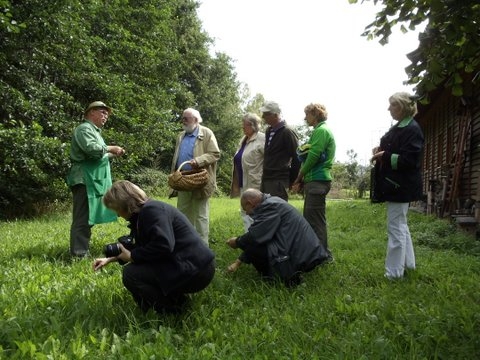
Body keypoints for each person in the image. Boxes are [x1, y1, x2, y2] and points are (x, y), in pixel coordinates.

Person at [93, 180, 215, 314]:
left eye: (117, 210)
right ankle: (176, 301)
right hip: (189, 265)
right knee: (136, 270)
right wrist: (111, 259)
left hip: (197, 270)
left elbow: (163, 245)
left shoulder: (152, 210)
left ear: (126, 205)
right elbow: (147, 247)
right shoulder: (144, 214)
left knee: (131, 274)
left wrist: (133, 256)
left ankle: (171, 311)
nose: (117, 215)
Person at [226, 189, 330, 286]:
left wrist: (237, 241)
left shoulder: (269, 207)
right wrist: (238, 262)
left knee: (252, 244)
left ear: (250, 203)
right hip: (307, 254)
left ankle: (284, 278)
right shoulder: (273, 201)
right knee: (252, 242)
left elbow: (254, 237)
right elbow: (261, 236)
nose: (247, 213)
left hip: (299, 257)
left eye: (245, 209)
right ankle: (287, 272)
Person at [371, 92, 424, 280]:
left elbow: (410, 160)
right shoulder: (403, 127)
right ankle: (408, 265)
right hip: (397, 184)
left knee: (396, 227)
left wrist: (384, 155)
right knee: (401, 225)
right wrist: (381, 151)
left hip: (400, 185)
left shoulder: (412, 129)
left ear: (401, 107)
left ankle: (393, 273)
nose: (389, 109)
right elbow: (396, 149)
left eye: (392, 105)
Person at [66, 101, 125, 257]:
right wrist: (111, 147)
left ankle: (81, 250)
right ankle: (78, 255)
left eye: (107, 113)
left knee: (88, 218)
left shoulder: (95, 131)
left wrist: (113, 153)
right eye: (103, 112)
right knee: (82, 219)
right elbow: (92, 150)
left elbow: (99, 154)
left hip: (93, 180)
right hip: (84, 179)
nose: (105, 116)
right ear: (91, 112)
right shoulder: (84, 129)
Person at [292, 103, 336, 261]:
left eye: (307, 115)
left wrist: (299, 177)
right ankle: (319, 253)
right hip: (315, 181)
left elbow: (313, 156)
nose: (305, 118)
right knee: (313, 219)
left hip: (318, 181)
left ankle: (323, 256)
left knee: (315, 221)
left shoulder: (321, 131)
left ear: (316, 114)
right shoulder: (320, 131)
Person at [170, 108, 220, 245]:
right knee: (182, 214)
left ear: (196, 120)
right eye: (183, 118)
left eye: (186, 118)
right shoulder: (181, 135)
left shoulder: (207, 133)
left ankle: (202, 247)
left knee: (201, 215)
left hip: (200, 180)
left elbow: (215, 154)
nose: (183, 121)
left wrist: (198, 161)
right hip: (183, 180)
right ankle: (185, 244)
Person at [229, 113, 265, 231]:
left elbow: (269, 160)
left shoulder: (261, 138)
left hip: (256, 184)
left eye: (244, 124)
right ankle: (249, 241)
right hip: (243, 183)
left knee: (256, 214)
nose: (242, 127)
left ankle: (258, 242)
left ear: (252, 125)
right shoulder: (243, 140)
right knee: (245, 213)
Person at [259, 101, 300, 201]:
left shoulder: (287, 132)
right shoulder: (269, 131)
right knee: (266, 210)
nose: (263, 117)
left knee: (277, 211)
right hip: (267, 178)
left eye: (266, 114)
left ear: (275, 115)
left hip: (279, 180)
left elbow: (297, 158)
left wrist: (292, 180)